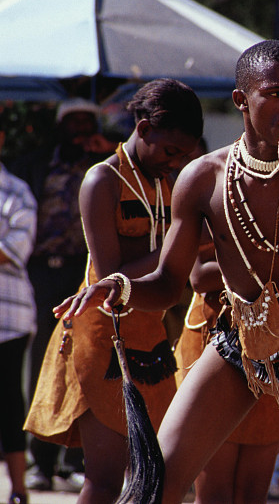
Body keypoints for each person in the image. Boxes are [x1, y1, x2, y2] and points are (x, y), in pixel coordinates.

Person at [54, 39, 279, 504]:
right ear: (241, 101)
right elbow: (173, 282)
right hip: (241, 341)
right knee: (155, 484)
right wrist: (120, 286)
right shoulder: (202, 178)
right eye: (276, 93)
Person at [25, 78, 203, 503]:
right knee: (103, 481)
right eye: (170, 151)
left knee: (154, 477)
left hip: (153, 341)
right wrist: (183, 242)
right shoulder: (101, 181)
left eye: (183, 156)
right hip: (103, 340)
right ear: (143, 130)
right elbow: (110, 279)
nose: (175, 162)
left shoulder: (169, 182)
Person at [11, 98, 109, 493]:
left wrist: (107, 154)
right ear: (61, 125)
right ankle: (43, 460)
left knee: (85, 362)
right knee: (41, 362)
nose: (82, 128)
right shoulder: (34, 163)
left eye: (88, 120)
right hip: (39, 273)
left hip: (83, 274)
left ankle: (76, 456)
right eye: (74, 121)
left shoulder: (106, 166)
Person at [173, 226, 279, 504]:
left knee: (253, 494)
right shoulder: (210, 185)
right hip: (212, 334)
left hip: (271, 341)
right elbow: (200, 276)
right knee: (214, 493)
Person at [0, 120, 38, 504]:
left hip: (8, 319)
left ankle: (19, 489)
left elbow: (13, 250)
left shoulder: (15, 191)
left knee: (10, 402)